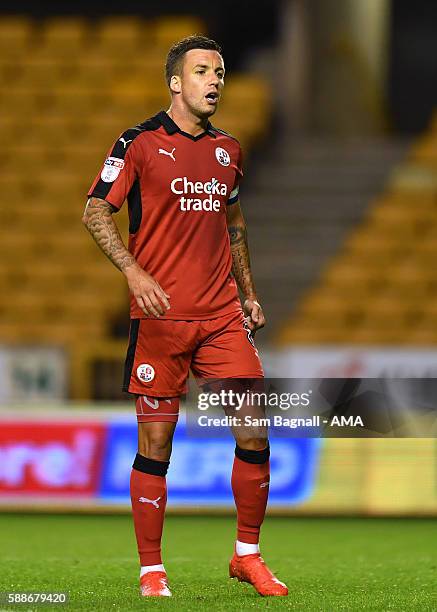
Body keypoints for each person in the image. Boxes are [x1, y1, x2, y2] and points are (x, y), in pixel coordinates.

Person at [83, 35, 288, 598]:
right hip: (161, 319)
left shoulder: (229, 151)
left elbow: (235, 222)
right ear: (176, 82)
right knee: (157, 446)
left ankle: (247, 554)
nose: (215, 81)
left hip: (222, 316)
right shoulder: (139, 144)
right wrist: (134, 273)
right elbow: (96, 209)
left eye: (220, 72)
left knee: (253, 428)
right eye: (202, 71)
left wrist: (248, 294)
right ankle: (152, 568)